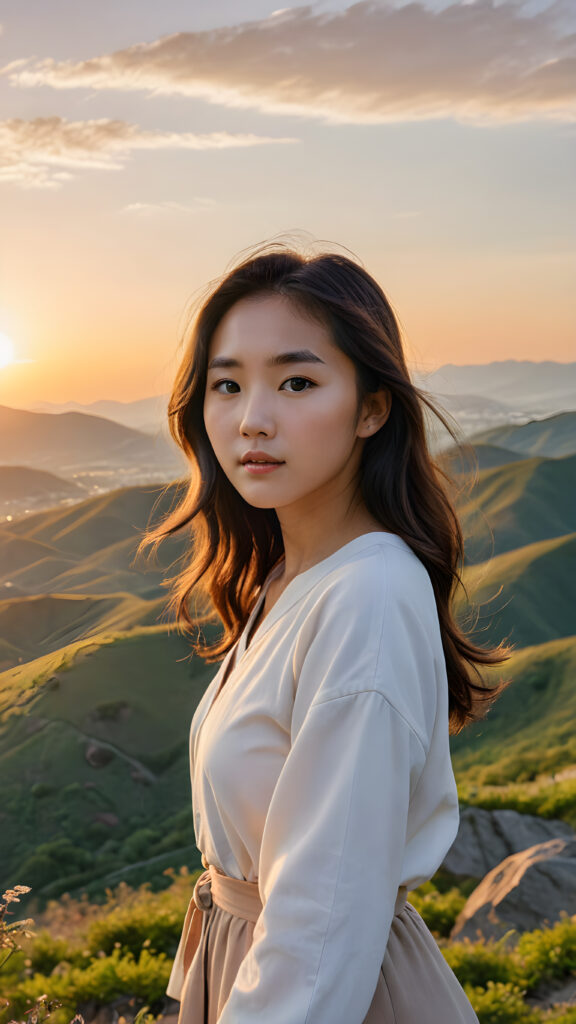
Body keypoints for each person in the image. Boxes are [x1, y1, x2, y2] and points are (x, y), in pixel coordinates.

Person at [139, 240, 510, 1023]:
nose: (251, 420)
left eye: (297, 382)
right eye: (226, 385)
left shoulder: (368, 596)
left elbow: (323, 923)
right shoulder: (286, 580)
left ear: (372, 407)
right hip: (251, 970)